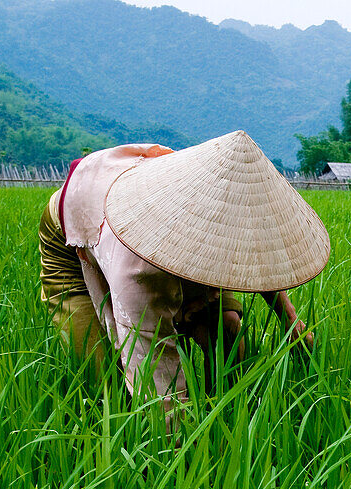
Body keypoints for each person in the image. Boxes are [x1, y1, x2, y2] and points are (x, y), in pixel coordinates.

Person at [38, 131, 329, 408]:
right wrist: (183, 449)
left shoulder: (211, 187)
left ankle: (225, 411)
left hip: (161, 216)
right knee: (105, 378)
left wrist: (293, 324)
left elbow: (254, 258)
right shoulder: (136, 270)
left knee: (227, 328)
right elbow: (155, 375)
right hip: (74, 237)